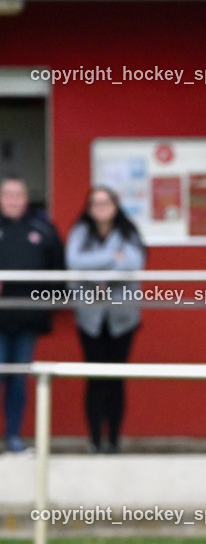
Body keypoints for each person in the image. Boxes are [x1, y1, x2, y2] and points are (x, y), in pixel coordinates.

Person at [66, 186, 145, 454]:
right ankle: (95, 441)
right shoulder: (80, 233)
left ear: (115, 205)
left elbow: (133, 263)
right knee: (95, 379)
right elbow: (74, 262)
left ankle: (114, 440)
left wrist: (99, 273)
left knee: (116, 379)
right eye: (95, 203)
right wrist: (112, 260)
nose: (100, 207)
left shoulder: (129, 232)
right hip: (90, 317)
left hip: (122, 318)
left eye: (105, 202)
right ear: (88, 208)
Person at [0, 176, 64, 453]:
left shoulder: (44, 229)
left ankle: (13, 437)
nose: (13, 199)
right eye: (7, 194)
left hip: (28, 320)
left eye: (18, 194)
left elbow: (59, 273)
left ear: (26, 199)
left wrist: (44, 302)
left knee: (19, 380)